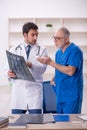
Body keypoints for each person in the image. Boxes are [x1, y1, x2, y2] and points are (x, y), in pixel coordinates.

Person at [38, 27, 83, 114]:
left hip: (71, 96)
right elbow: (60, 68)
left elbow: (70, 71)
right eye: (54, 38)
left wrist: (50, 62)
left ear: (66, 39)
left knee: (70, 124)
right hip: (60, 94)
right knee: (60, 122)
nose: (55, 41)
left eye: (58, 38)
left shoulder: (75, 51)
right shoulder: (58, 53)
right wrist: (54, 77)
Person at [6, 22, 48, 114]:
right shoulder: (14, 49)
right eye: (32, 35)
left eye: (37, 35)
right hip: (19, 91)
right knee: (17, 123)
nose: (35, 38)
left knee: (36, 123)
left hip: (35, 91)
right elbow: (7, 69)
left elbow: (43, 69)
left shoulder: (42, 49)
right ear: (25, 35)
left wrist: (31, 65)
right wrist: (8, 74)